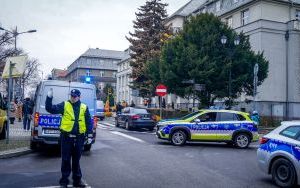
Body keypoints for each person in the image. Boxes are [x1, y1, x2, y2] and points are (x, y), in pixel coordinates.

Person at [45, 88, 91, 188]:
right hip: (66, 138)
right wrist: (49, 98)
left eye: (75, 96)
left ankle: (77, 181)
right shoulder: (65, 105)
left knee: (76, 160)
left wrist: (90, 135)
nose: (73, 98)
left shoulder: (84, 107)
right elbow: (50, 109)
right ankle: (64, 181)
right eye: (71, 96)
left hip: (79, 138)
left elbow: (88, 122)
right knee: (65, 160)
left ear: (79, 97)